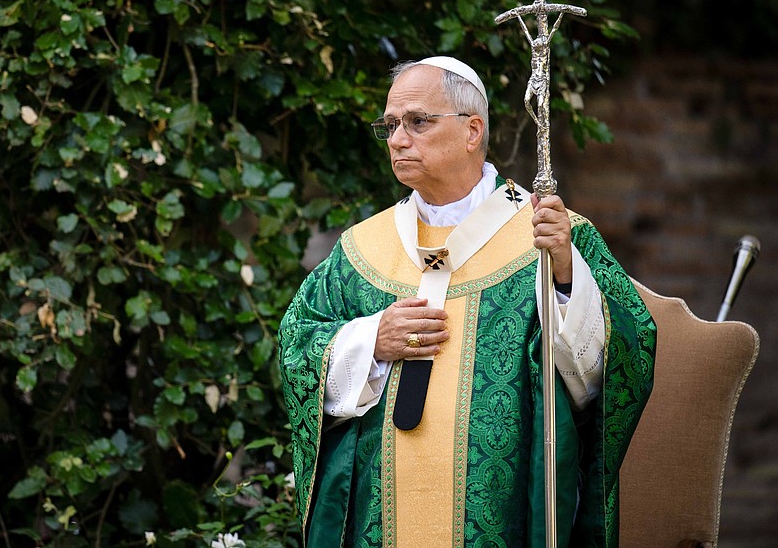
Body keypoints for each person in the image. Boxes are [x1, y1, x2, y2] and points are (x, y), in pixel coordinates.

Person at [278, 56, 656, 547]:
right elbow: (297, 346)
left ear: (472, 130)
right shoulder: (360, 249)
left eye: (417, 122)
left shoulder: (550, 238)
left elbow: (624, 360)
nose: (396, 139)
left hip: (504, 518)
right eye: (390, 125)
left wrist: (565, 277)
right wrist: (371, 339)